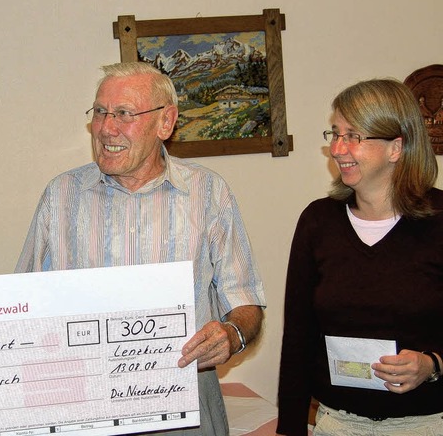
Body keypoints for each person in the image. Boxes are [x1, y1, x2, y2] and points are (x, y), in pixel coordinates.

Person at [16, 61, 266, 435]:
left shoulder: (209, 193)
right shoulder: (62, 195)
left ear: (165, 123)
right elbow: (25, 304)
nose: (105, 128)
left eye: (123, 114)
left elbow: (246, 302)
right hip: (86, 410)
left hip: (186, 407)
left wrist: (232, 335)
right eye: (100, 112)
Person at [276, 79, 443, 436]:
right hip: (336, 424)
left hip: (427, 424)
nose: (337, 148)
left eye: (354, 135)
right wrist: (290, 429)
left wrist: (432, 364)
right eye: (335, 133)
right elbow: (298, 339)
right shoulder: (318, 221)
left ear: (396, 147)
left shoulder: (440, 221)